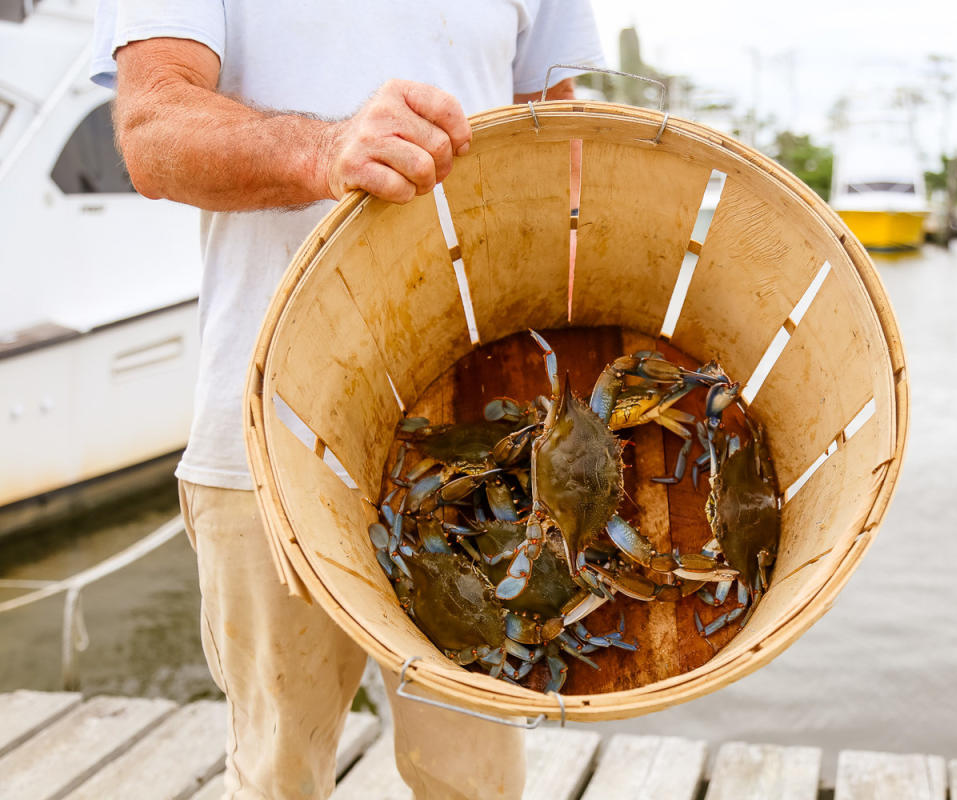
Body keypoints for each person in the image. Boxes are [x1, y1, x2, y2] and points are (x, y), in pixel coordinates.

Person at [89, 3, 604, 798]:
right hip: (267, 433)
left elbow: (555, 136)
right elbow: (153, 129)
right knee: (277, 775)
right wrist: (324, 149)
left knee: (476, 782)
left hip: (490, 442)